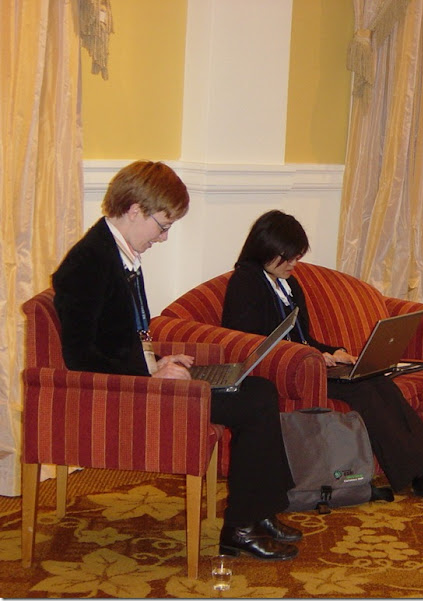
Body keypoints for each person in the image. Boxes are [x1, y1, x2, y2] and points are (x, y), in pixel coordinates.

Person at [52, 161, 302, 561]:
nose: (164, 238)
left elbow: (118, 337)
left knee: (258, 389)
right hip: (122, 394)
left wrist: (160, 360)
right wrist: (150, 374)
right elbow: (81, 357)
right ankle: (241, 527)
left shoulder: (116, 253)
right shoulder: (88, 263)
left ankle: (259, 513)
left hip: (140, 379)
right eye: (163, 225)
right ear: (135, 209)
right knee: (255, 401)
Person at [221, 210, 423, 497]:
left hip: (307, 364)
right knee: (364, 391)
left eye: (297, 256)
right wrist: (308, 355)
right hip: (282, 372)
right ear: (266, 249)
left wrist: (334, 352)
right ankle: (419, 474)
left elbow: (304, 337)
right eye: (288, 257)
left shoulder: (289, 284)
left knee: (378, 381)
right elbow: (251, 342)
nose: (294, 264)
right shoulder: (245, 283)